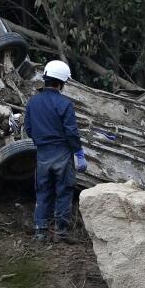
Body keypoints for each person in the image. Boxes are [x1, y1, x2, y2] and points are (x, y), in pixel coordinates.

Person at [25, 60, 87, 243]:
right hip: (62, 153)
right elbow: (71, 132)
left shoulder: (32, 102)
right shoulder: (65, 104)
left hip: (42, 154)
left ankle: (40, 232)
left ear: (45, 78)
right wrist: (79, 153)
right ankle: (61, 233)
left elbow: (28, 129)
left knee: (43, 191)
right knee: (64, 191)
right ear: (61, 83)